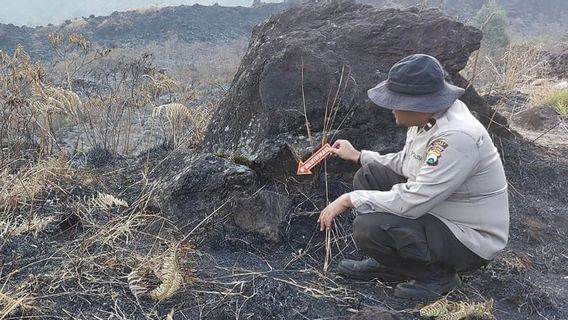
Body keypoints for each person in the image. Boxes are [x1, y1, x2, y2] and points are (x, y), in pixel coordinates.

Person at [318, 54, 509, 300]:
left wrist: (349, 199)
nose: (391, 108)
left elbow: (414, 200)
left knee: (368, 228)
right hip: (442, 207)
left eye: (396, 101)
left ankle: (435, 276)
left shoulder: (456, 137)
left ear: (421, 104)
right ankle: (393, 264)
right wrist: (359, 155)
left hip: (469, 237)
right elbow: (410, 163)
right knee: (370, 175)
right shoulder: (431, 118)